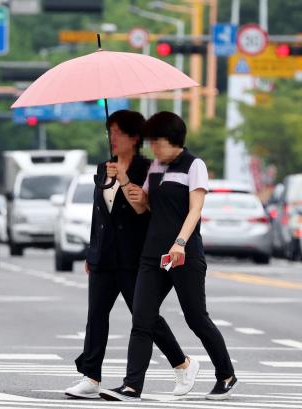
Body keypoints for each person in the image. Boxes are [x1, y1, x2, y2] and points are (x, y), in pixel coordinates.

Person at [100, 111, 237, 402]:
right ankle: (132, 386)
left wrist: (180, 243)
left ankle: (225, 373)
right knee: (142, 318)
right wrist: (125, 182)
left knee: (196, 318)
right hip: (153, 255)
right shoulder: (156, 168)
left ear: (175, 140)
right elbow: (144, 208)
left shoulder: (194, 165)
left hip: (184, 254)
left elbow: (195, 210)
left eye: (158, 142)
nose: (154, 149)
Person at [65, 110, 194, 400]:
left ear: (134, 138)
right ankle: (91, 377)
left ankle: (182, 362)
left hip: (134, 257)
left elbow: (150, 212)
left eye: (117, 133)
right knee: (96, 316)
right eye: (109, 132)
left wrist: (126, 182)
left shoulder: (150, 168)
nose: (111, 138)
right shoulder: (103, 167)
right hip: (103, 256)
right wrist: (91, 250)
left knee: (144, 316)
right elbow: (99, 215)